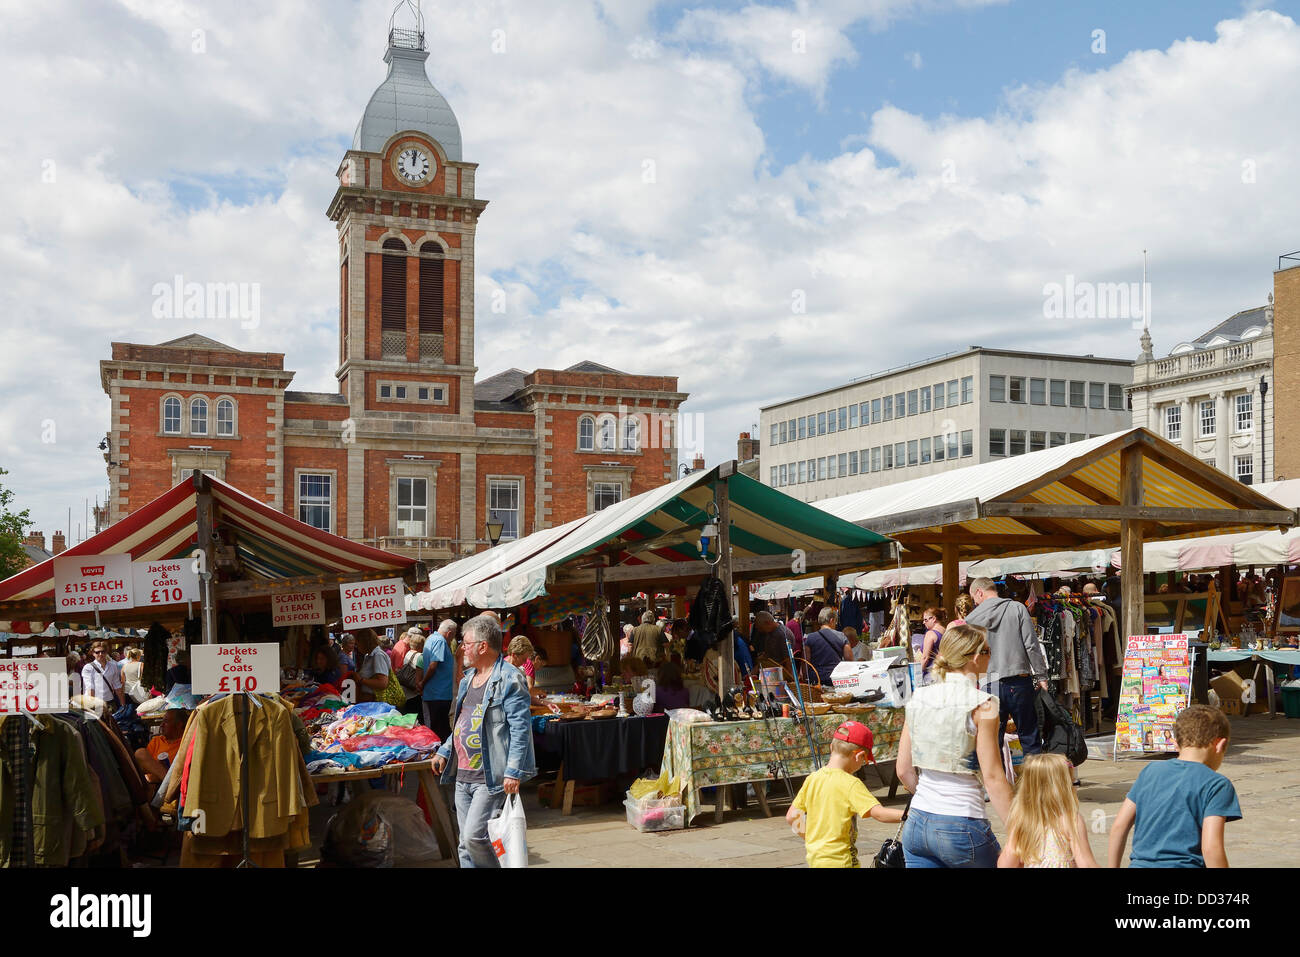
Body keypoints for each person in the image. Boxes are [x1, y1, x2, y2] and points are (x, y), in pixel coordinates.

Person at [896, 624, 1013, 868]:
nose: (991, 658)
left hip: (918, 821)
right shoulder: (984, 704)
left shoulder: (917, 698)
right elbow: (992, 776)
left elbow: (903, 770)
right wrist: (1019, 830)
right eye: (989, 651)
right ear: (976, 657)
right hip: (962, 821)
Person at [431, 615, 536, 868]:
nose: (461, 648)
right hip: (462, 775)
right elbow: (461, 723)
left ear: (482, 646)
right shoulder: (468, 679)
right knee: (464, 845)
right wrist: (445, 750)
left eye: (466, 643)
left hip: (490, 776)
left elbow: (521, 728)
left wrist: (513, 771)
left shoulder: (510, 679)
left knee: (474, 837)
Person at [1108, 705, 1240, 868]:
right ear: (1220, 745)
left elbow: (1119, 826)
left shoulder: (1150, 771)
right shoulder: (1217, 785)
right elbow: (1211, 848)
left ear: (1176, 744)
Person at [785, 721, 903, 867]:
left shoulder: (813, 779)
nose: (863, 764)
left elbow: (791, 816)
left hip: (816, 859)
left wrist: (811, 839)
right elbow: (879, 813)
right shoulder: (851, 784)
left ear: (831, 747)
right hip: (842, 861)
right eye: (865, 760)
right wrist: (910, 815)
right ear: (859, 756)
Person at [964, 577, 1049, 755]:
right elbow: (1031, 645)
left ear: (980, 592)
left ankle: (997, 781)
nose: (975, 602)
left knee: (992, 740)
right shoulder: (1017, 608)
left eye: (974, 598)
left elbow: (968, 654)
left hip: (988, 682)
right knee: (1029, 737)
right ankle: (1033, 781)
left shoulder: (971, 619)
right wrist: (1041, 676)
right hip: (1018, 680)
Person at [997, 753, 1097, 868]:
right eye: (1073, 783)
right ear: (1063, 789)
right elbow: (1086, 863)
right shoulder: (1071, 820)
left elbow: (1007, 864)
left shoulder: (1022, 820)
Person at [421, 619, 457, 741]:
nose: (452, 639)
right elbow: (433, 665)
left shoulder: (431, 638)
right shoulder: (440, 641)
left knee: (438, 728)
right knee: (441, 730)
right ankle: (443, 758)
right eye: (453, 635)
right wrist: (423, 682)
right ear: (449, 633)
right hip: (439, 694)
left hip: (435, 693)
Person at [133, 708, 188, 788]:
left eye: (166, 722)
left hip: (177, 781)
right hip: (158, 784)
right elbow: (144, 767)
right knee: (140, 752)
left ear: (179, 725)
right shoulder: (156, 741)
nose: (161, 725)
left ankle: (170, 784)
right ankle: (169, 783)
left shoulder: (186, 743)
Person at [803, 606, 847, 685]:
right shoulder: (841, 636)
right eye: (835, 621)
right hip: (836, 679)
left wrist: (805, 679)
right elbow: (849, 660)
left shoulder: (810, 638)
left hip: (816, 680)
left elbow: (806, 662)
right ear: (832, 620)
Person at [81, 641, 126, 710]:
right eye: (97, 652)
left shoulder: (113, 666)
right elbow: (90, 687)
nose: (100, 654)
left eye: (103, 651)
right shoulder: (88, 667)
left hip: (110, 702)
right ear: (93, 653)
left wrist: (123, 705)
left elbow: (117, 686)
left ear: (106, 652)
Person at [353, 628, 391, 703]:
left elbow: (382, 683)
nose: (357, 647)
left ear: (364, 642)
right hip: (370, 701)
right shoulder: (369, 655)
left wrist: (361, 680)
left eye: (357, 643)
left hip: (376, 702)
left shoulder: (378, 655)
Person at [400, 632, 426, 715]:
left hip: (405, 689)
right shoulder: (420, 656)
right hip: (413, 692)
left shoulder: (408, 653)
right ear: (421, 645)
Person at [919, 607, 947, 676]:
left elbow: (925, 658)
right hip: (944, 672)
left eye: (926, 620)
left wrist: (917, 674)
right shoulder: (946, 631)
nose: (923, 622)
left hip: (931, 673)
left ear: (934, 619)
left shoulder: (930, 634)